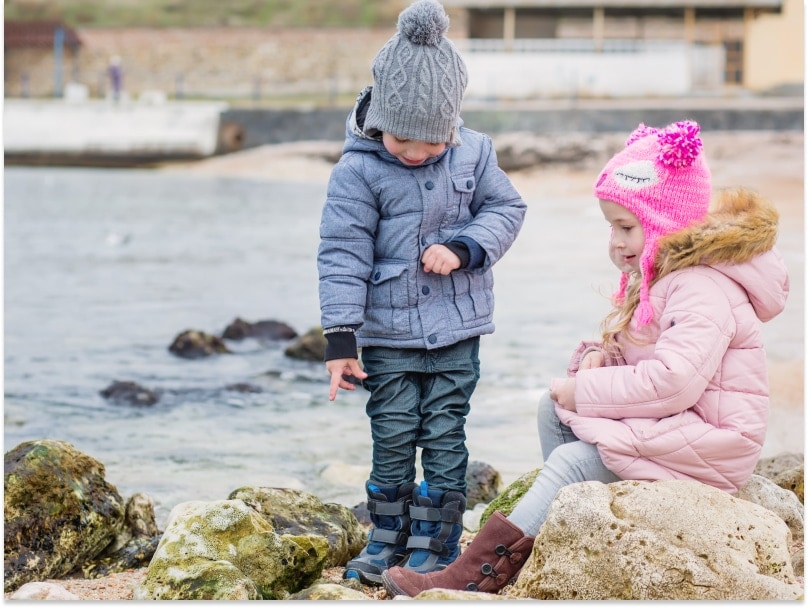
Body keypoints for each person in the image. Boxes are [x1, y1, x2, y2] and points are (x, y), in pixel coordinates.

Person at [382, 119, 790, 597]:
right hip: (680, 427)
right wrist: (599, 357)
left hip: (711, 443)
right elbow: (647, 359)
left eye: (626, 227)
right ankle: (567, 526)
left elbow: (673, 383)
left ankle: (473, 576)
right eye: (610, 227)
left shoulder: (700, 287)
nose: (615, 242)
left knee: (575, 458)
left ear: (664, 223)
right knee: (552, 411)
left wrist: (583, 390)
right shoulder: (666, 279)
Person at [316, 0, 527, 586]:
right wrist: (340, 341)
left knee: (444, 432)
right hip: (386, 335)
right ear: (380, 117)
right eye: (402, 138)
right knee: (392, 433)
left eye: (431, 143)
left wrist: (464, 248)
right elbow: (341, 253)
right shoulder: (357, 171)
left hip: (457, 329)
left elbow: (507, 208)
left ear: (452, 126)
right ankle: (387, 537)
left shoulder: (475, 152)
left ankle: (437, 544)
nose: (414, 152)